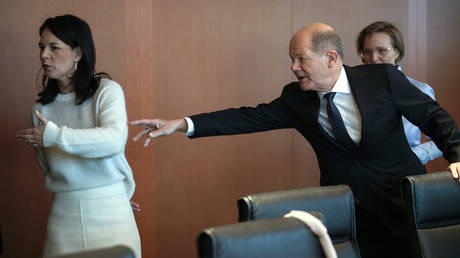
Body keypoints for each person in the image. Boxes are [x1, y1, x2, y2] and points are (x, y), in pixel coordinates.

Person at [129, 23, 460, 258]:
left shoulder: (382, 79)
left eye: (301, 59)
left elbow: (433, 116)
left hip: (405, 203)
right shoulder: (296, 98)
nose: (293, 67)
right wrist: (182, 124)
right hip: (348, 213)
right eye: (292, 59)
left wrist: (456, 156)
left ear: (331, 58)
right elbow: (246, 117)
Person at [16, 15, 141, 258]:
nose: (44, 55)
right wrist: (52, 137)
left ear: (77, 53)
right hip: (64, 215)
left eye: (54, 47)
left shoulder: (107, 91)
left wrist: (55, 135)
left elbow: (113, 139)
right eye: (41, 47)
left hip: (112, 211)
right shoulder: (41, 108)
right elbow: (48, 165)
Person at [357, 21, 442, 165]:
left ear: (397, 51)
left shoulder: (420, 90)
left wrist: (411, 156)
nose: (374, 58)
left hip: (407, 175)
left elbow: (441, 138)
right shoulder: (353, 91)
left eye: (382, 50)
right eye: (368, 52)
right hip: (365, 177)